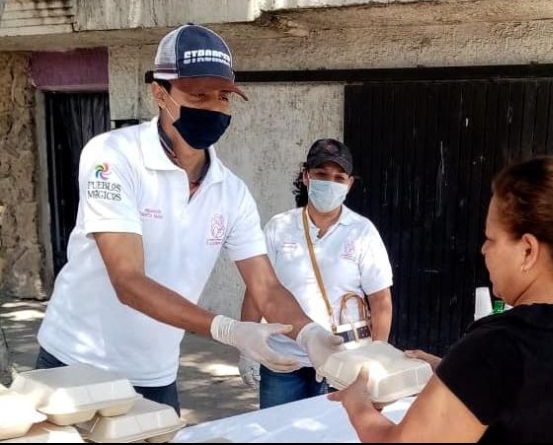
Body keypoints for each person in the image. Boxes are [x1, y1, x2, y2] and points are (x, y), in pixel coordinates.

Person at [35, 24, 343, 413]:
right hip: (74, 363)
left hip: (156, 375)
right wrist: (228, 329)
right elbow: (128, 281)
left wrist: (309, 332)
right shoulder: (114, 157)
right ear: (159, 93)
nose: (213, 107)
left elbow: (265, 286)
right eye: (198, 94)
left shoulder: (231, 192)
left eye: (222, 97)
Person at [331, 156, 553, 442]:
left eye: (491, 239)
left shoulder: (500, 346)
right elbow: (536, 400)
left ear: (528, 251)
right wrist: (449, 372)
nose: (483, 250)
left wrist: (356, 403)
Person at [239, 139, 394, 408]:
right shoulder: (279, 227)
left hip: (343, 363)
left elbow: (381, 301)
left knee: (331, 435)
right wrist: (247, 349)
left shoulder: (362, 231)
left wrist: (375, 357)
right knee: (277, 435)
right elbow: (257, 289)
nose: (329, 182)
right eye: (321, 174)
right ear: (306, 177)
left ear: (349, 184)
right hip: (283, 361)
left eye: (338, 177)